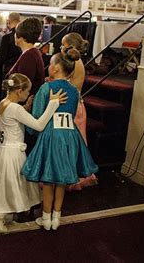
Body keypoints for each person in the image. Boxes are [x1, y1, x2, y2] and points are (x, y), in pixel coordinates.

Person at [21, 49, 98, 231]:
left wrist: (29, 129)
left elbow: (38, 116)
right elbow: (71, 113)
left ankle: (46, 217)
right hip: (70, 135)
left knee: (49, 178)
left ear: (54, 68)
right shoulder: (74, 90)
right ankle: (57, 216)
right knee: (61, 179)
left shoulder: (46, 88)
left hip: (51, 135)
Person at [0, 74, 66, 233]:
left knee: (7, 185)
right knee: (13, 185)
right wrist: (53, 103)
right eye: (27, 91)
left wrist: (26, 107)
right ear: (19, 91)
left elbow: (14, 116)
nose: (29, 94)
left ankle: (3, 214)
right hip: (14, 153)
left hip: (3, 151)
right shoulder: (15, 108)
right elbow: (39, 125)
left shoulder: (4, 102)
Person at [60, 33, 98, 191]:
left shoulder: (74, 63)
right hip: (77, 105)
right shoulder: (78, 62)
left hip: (73, 107)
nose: (61, 47)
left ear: (69, 45)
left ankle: (72, 176)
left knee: (72, 143)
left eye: (62, 44)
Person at [8, 18, 45, 95]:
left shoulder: (29, 57)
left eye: (15, 32)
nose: (14, 34)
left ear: (21, 38)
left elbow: (22, 88)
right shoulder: (32, 52)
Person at [0, 12, 22, 77]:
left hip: (9, 69)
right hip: (21, 68)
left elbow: (1, 58)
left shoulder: (6, 37)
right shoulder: (24, 36)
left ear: (8, 21)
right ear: (19, 21)